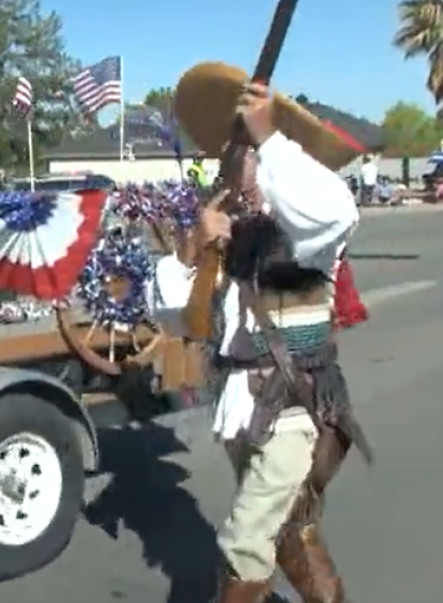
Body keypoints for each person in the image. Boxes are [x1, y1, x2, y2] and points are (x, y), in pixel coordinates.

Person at [157, 62, 370, 603]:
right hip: (242, 410)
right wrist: (192, 251)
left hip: (297, 410)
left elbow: (334, 210)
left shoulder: (311, 228)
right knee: (291, 532)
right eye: (238, 153)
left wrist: (270, 138)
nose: (237, 165)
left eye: (247, 153)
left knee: (246, 538)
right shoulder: (229, 230)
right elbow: (180, 319)